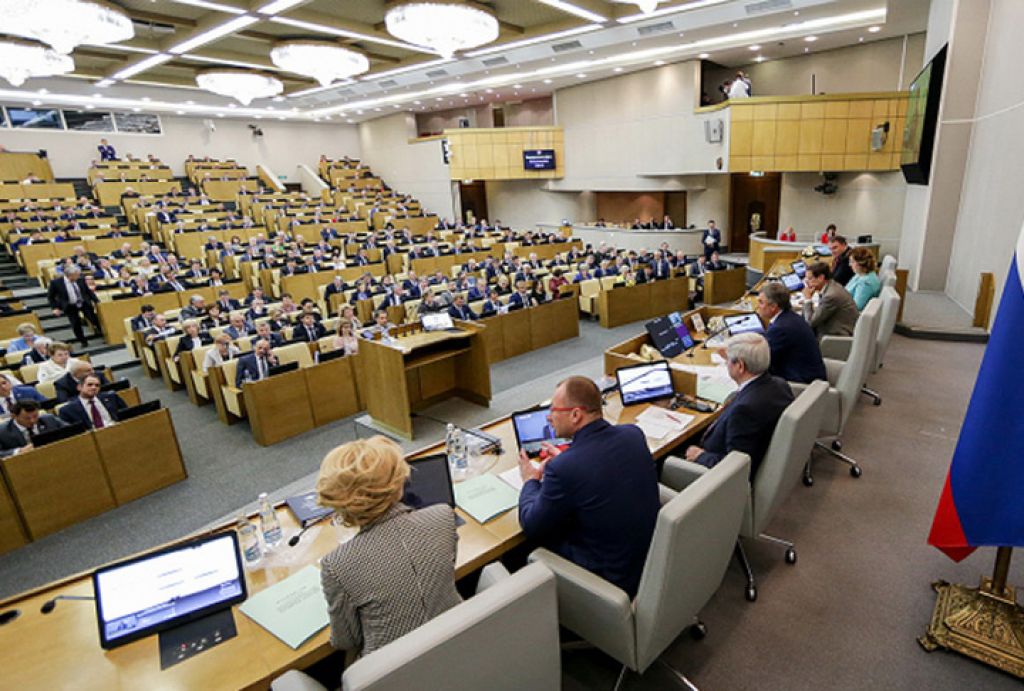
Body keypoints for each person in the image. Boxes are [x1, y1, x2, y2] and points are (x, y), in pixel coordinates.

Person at [317, 436, 461, 656]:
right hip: (457, 643)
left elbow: (346, 641)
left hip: (389, 668)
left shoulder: (336, 565)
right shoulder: (442, 517)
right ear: (399, 482)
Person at [517, 376, 659, 597]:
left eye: (554, 410)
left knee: (521, 549)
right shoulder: (633, 434)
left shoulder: (564, 469)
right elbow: (602, 464)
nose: (549, 417)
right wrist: (568, 459)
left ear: (576, 415)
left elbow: (530, 525)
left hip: (610, 579)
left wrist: (530, 480)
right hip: (648, 558)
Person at [682, 333, 794, 478]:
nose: (726, 363)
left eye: (728, 360)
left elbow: (738, 468)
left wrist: (700, 456)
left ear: (740, 366)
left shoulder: (744, 411)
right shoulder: (780, 385)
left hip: (713, 476)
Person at [757, 282, 827, 384]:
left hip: (801, 384)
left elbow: (763, 362)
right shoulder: (790, 317)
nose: (758, 306)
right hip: (810, 375)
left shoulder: (780, 328)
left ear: (773, 306)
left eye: (761, 302)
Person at [47, 265, 101, 348]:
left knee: (94, 319)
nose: (78, 276)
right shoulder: (56, 283)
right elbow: (51, 297)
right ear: (70, 275)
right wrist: (55, 308)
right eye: (77, 275)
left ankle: (104, 334)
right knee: (76, 324)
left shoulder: (80, 280)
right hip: (70, 306)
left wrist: (97, 301)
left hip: (84, 303)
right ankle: (83, 341)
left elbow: (88, 291)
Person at [801, 262, 859, 337]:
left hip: (836, 335)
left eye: (810, 278)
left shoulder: (831, 296)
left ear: (821, 278)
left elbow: (810, 322)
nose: (806, 282)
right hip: (834, 328)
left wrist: (808, 299)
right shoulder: (832, 285)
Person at [0, 401, 68, 457]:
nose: (32, 421)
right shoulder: (2, 431)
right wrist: (19, 451)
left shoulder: (49, 419)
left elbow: (70, 431)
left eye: (35, 416)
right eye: (27, 418)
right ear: (14, 416)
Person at [58, 374, 126, 429]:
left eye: (97, 385)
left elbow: (127, 415)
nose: (94, 387)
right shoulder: (67, 410)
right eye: (90, 385)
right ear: (79, 387)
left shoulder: (112, 397)